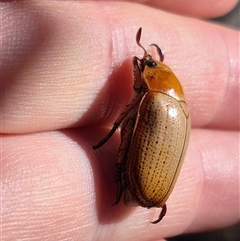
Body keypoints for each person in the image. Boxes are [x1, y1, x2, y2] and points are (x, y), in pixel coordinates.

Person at [1, 1, 239, 240]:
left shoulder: (155, 100)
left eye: (146, 65)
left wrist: (112, 132)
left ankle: (122, 176)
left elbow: (126, 121)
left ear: (152, 76)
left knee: (126, 135)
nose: (139, 64)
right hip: (150, 185)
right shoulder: (175, 104)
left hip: (144, 180)